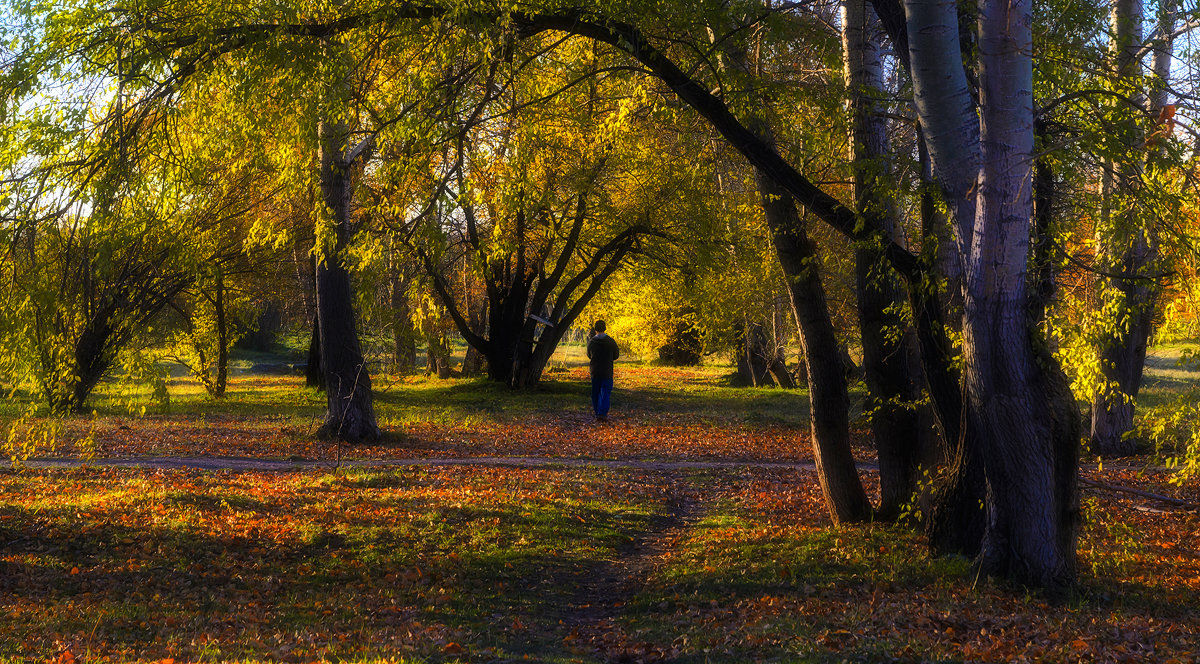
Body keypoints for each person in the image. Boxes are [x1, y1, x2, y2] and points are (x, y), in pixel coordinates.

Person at [586, 320, 619, 421]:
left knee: (595, 393)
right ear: (605, 328)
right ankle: (602, 413)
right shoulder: (611, 341)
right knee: (605, 392)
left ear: (595, 329)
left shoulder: (592, 342)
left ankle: (597, 413)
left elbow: (588, 355)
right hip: (607, 371)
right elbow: (616, 355)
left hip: (595, 371)